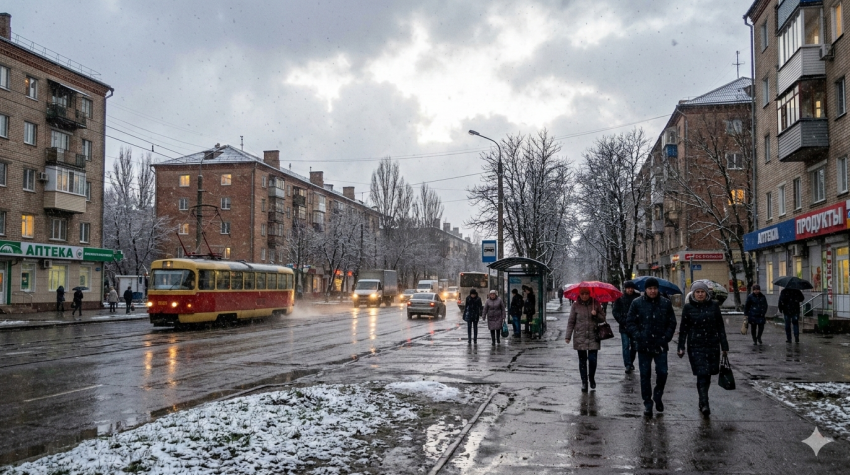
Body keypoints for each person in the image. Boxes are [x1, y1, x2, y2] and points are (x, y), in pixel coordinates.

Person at [625, 277, 677, 417]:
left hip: (660, 345)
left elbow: (672, 322)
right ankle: (647, 403)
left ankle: (658, 396)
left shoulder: (665, 303)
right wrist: (638, 335)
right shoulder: (637, 303)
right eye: (650, 289)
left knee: (662, 373)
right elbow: (630, 322)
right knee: (645, 375)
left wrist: (666, 337)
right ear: (645, 290)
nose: (652, 291)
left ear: (657, 289)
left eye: (654, 288)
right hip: (643, 346)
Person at [678, 281, 729, 417]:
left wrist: (724, 346)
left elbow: (720, 327)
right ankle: (705, 402)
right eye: (697, 292)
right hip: (695, 345)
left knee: (708, 374)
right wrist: (680, 346)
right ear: (693, 293)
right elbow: (683, 329)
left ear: (707, 293)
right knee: (701, 373)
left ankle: (702, 399)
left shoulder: (714, 306)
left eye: (702, 292)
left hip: (712, 344)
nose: (700, 294)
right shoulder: (688, 308)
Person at [565, 288, 606, 392]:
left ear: (589, 294)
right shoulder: (575, 305)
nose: (584, 296)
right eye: (582, 294)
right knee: (582, 361)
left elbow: (603, 318)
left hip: (593, 336)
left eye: (586, 294)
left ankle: (591, 378)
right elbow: (571, 321)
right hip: (580, 336)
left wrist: (595, 314)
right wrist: (568, 336)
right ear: (579, 294)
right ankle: (584, 381)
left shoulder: (595, 303)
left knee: (593, 360)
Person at [613, 280, 640, 373]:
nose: (630, 290)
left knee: (634, 346)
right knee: (625, 346)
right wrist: (622, 321)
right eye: (628, 288)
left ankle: (630, 362)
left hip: (635, 326)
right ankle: (628, 365)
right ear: (625, 289)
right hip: (624, 326)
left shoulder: (637, 298)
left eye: (631, 288)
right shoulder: (620, 298)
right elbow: (615, 312)